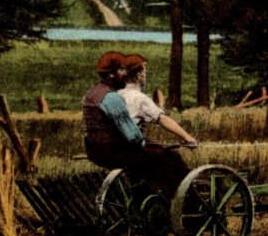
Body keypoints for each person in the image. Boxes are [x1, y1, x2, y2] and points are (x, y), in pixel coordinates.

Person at [82, 51, 193, 199]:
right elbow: (133, 136)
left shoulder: (91, 94)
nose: (125, 73)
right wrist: (144, 142)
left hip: (94, 150)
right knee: (168, 157)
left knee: (150, 159)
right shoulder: (112, 98)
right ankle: (183, 198)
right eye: (122, 70)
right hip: (114, 152)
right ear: (111, 74)